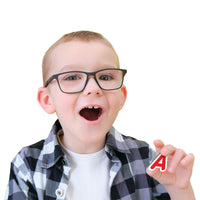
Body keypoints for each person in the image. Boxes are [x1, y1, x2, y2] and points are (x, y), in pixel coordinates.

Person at [5, 31, 195, 200]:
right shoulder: (27, 164)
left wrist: (180, 189)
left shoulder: (146, 159)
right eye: (72, 77)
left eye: (105, 77)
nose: (94, 88)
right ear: (47, 100)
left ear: (121, 97)